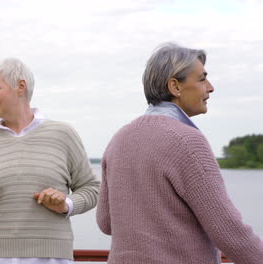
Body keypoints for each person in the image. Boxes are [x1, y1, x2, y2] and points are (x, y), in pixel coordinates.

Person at [96, 43, 263, 263]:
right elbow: (229, 232)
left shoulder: (119, 139)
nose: (210, 87)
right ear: (175, 86)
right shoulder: (187, 142)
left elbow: (106, 222)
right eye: (202, 79)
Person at [0, 58, 100, 264]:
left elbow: (92, 188)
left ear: (20, 87)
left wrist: (67, 204)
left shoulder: (63, 134)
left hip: (51, 255)